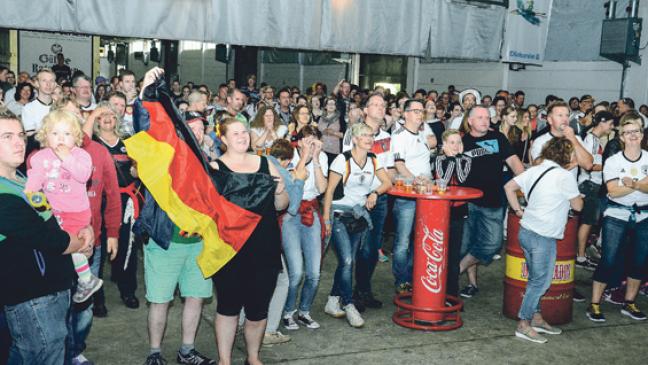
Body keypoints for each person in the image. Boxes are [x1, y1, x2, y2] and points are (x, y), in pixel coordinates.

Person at [0, 109, 93, 365]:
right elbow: (51, 240)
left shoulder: (21, 180)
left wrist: (86, 228)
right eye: (7, 136)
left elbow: (54, 219)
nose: (19, 141)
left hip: (51, 292)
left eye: (20, 134)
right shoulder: (3, 193)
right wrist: (81, 241)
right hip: (31, 300)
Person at [210, 117, 288, 365]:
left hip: (264, 247)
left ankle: (253, 357)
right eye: (235, 133)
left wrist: (280, 190)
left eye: (244, 131)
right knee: (228, 307)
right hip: (230, 249)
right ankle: (225, 359)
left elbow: (281, 205)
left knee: (257, 310)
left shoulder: (266, 163)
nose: (242, 136)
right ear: (223, 139)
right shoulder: (214, 168)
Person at [505, 137, 583, 343]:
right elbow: (578, 207)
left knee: (534, 279)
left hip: (526, 231)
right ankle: (524, 323)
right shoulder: (564, 177)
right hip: (543, 236)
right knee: (541, 282)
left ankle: (537, 318)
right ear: (566, 155)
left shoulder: (535, 170)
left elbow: (508, 188)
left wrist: (518, 210)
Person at [25, 109, 103, 303]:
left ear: (76, 136)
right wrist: (30, 193)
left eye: (67, 134)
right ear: (45, 135)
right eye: (55, 133)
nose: (61, 139)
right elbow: (34, 183)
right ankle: (81, 280)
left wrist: (66, 158)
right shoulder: (39, 157)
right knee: (62, 249)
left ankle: (86, 279)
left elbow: (83, 175)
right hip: (53, 213)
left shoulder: (81, 155)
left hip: (76, 211)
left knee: (72, 245)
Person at [323, 122, 392, 327]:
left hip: (359, 217)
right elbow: (328, 192)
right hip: (339, 216)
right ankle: (349, 304)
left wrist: (374, 192)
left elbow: (387, 182)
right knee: (346, 260)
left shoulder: (373, 159)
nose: (369, 139)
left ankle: (332, 300)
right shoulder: (341, 160)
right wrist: (326, 220)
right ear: (354, 139)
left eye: (371, 135)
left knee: (348, 261)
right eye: (364, 135)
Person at [587, 113, 648, 323]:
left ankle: (629, 301)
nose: (633, 135)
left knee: (640, 261)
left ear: (642, 134)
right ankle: (594, 303)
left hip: (644, 215)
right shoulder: (613, 160)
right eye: (628, 132)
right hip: (616, 214)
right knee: (609, 259)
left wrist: (634, 184)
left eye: (637, 131)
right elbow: (613, 191)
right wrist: (641, 184)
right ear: (621, 136)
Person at [459, 105, 524, 298]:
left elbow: (514, 163)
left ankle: (457, 269)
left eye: (487, 117)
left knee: (492, 244)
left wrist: (526, 185)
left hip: (493, 201)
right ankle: (472, 284)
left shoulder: (498, 138)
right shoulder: (462, 142)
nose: (485, 121)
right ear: (469, 121)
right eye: (479, 117)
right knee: (467, 245)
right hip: (468, 202)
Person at [83, 101, 142, 309]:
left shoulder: (127, 141)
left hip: (125, 202)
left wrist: (138, 170)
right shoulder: (92, 143)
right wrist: (91, 117)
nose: (107, 118)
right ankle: (97, 298)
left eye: (111, 115)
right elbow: (81, 142)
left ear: (117, 118)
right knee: (97, 247)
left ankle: (128, 290)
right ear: (97, 120)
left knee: (127, 247)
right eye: (102, 115)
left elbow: (137, 169)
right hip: (98, 200)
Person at [341, 93, 395, 310]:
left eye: (383, 105)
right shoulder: (353, 133)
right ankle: (346, 295)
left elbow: (389, 168)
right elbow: (347, 164)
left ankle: (363, 290)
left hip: (379, 196)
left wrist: (386, 185)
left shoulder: (386, 136)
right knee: (355, 249)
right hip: (357, 198)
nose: (380, 108)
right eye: (375, 104)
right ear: (365, 110)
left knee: (372, 248)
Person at [281, 126, 328, 330]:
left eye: (314, 140)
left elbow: (322, 188)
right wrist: (305, 157)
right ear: (298, 142)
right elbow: (292, 182)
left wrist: (316, 159)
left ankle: (304, 311)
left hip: (311, 212)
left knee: (314, 272)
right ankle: (288, 311)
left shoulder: (322, 158)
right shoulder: (288, 157)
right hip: (291, 215)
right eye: (307, 140)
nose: (310, 144)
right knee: (296, 272)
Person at [390, 99, 435, 293]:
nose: (419, 114)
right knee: (402, 242)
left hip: (426, 193)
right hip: (408, 194)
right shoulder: (399, 135)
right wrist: (416, 180)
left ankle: (411, 276)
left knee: (421, 239)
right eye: (415, 111)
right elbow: (399, 165)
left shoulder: (423, 133)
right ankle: (401, 280)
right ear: (405, 114)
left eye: (421, 111)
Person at [432, 130, 472, 298]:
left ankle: (451, 293)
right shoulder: (438, 159)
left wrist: (456, 158)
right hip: (440, 209)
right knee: (438, 251)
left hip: (458, 211)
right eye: (452, 142)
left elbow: (462, 179)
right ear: (444, 145)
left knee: (454, 253)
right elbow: (444, 180)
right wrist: (449, 159)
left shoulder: (467, 159)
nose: (456, 146)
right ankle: (435, 289)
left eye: (458, 142)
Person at [575, 111, 615, 271]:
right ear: (602, 122)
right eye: (610, 124)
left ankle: (581, 254)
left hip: (593, 183)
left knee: (589, 222)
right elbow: (588, 165)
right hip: (589, 183)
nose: (612, 127)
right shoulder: (591, 139)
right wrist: (610, 167)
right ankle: (580, 256)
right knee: (587, 222)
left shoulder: (595, 139)